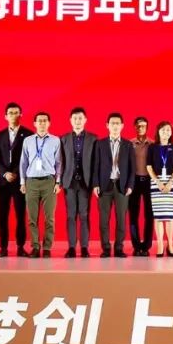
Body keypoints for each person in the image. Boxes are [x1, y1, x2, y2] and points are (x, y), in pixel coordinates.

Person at [19, 111, 62, 258]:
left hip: (49, 182)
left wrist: (57, 182)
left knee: (49, 218)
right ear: (35, 124)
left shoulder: (55, 140)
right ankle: (35, 247)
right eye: (39, 121)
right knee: (32, 218)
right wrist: (22, 182)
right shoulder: (28, 141)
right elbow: (23, 162)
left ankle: (47, 247)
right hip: (31, 182)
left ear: (49, 123)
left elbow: (59, 163)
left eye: (45, 120)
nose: (42, 123)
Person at [93, 113, 135, 258]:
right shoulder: (100, 144)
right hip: (104, 186)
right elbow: (95, 165)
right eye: (112, 123)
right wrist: (95, 184)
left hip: (121, 186)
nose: (115, 126)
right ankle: (105, 248)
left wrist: (130, 185)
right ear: (107, 125)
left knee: (121, 220)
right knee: (103, 220)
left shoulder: (128, 145)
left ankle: (118, 248)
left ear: (122, 126)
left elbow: (132, 168)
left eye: (118, 123)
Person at [0, 102, 33, 257]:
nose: (13, 115)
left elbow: (28, 157)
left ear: (21, 114)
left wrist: (16, 172)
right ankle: (3, 247)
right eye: (10, 113)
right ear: (5, 116)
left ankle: (20, 246)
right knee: (2, 216)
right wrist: (5, 173)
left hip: (20, 181)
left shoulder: (28, 134)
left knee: (20, 215)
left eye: (16, 112)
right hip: (3, 182)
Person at [61, 107, 98, 258]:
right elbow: (61, 162)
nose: (77, 121)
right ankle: (71, 247)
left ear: (85, 120)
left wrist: (95, 183)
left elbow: (95, 163)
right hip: (69, 182)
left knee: (84, 215)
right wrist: (59, 181)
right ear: (70, 120)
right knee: (71, 215)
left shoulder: (93, 139)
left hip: (85, 182)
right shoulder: (63, 139)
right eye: (75, 118)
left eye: (80, 118)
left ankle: (84, 247)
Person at [147, 121, 173, 257]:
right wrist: (158, 182)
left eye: (168, 130)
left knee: (170, 217)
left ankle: (170, 245)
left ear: (171, 132)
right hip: (156, 183)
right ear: (158, 132)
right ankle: (160, 245)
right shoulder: (152, 147)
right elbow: (149, 167)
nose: (166, 132)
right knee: (158, 216)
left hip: (171, 182)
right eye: (163, 130)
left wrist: (170, 182)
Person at [129, 117, 155, 257]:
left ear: (147, 127)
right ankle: (136, 246)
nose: (141, 128)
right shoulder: (130, 144)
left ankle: (146, 246)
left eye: (143, 126)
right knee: (133, 215)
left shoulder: (152, 144)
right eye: (138, 126)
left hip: (149, 181)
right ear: (135, 127)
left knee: (149, 215)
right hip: (134, 182)